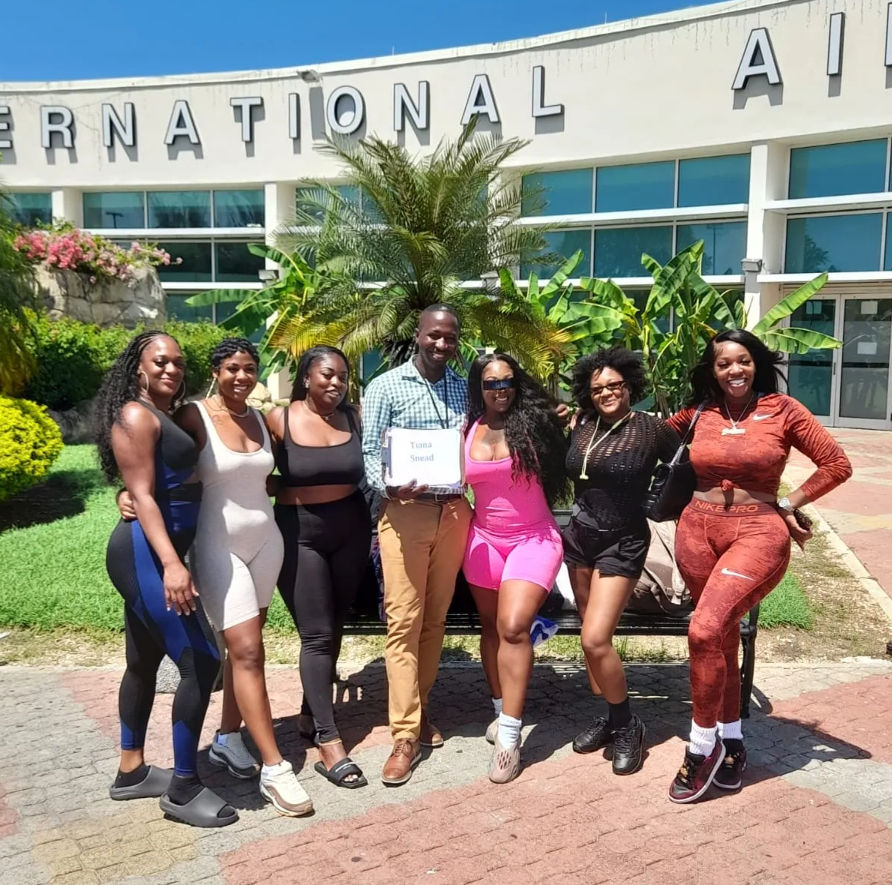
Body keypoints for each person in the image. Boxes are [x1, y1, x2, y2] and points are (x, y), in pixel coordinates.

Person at [116, 338, 313, 817]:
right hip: (198, 549)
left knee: (211, 653)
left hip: (261, 543)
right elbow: (147, 483)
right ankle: (259, 770)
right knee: (228, 655)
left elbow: (258, 479)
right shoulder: (181, 416)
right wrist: (132, 506)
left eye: (250, 368)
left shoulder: (260, 420)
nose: (242, 376)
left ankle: (206, 746)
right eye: (232, 368)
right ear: (216, 371)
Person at [665, 329, 851, 803]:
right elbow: (642, 436)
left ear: (756, 363)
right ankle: (732, 744)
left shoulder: (784, 410)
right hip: (696, 530)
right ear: (712, 370)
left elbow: (835, 463)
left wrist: (790, 501)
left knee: (704, 631)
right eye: (724, 363)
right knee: (721, 639)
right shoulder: (698, 414)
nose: (734, 370)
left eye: (743, 361)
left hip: (757, 532)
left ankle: (701, 746)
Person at [95, 331, 236, 828]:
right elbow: (144, 496)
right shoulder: (135, 414)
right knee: (200, 659)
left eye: (178, 362)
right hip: (146, 555)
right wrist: (173, 565)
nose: (172, 369)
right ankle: (183, 787)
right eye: (161, 361)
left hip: (156, 552)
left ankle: (131, 770)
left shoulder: (161, 414)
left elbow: (149, 485)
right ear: (139, 365)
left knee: (143, 661)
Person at [361, 305, 472, 786]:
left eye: (450, 338)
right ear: (418, 335)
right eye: (434, 336)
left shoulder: (464, 387)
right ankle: (404, 734)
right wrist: (389, 486)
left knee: (433, 620)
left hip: (452, 513)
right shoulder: (384, 386)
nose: (441, 345)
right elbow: (368, 452)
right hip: (404, 513)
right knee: (403, 622)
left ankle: (419, 710)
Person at [563, 347, 680, 776]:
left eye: (614, 385)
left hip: (624, 542)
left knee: (596, 638)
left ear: (630, 386)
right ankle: (612, 720)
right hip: (578, 539)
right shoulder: (581, 426)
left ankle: (630, 724)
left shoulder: (652, 430)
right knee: (586, 639)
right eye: (597, 389)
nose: (607, 393)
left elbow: (687, 470)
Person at [268, 345, 371, 789]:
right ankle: (330, 745)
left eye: (343, 376)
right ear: (307, 377)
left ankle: (312, 715)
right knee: (314, 633)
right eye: (327, 374)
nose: (335, 382)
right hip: (299, 532)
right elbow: (239, 461)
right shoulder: (278, 419)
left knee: (335, 626)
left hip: (351, 527)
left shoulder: (353, 418)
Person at [462, 353, 568, 783]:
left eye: (507, 382)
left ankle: (510, 737)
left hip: (534, 538)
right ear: (480, 388)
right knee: (491, 628)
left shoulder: (537, 424)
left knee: (512, 627)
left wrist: (567, 421)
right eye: (491, 383)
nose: (500, 390)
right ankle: (498, 708)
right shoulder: (466, 427)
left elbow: (573, 451)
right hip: (482, 539)